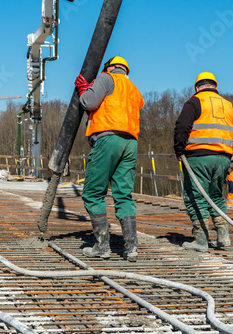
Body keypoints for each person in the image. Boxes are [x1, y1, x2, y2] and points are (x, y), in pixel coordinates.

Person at [74, 56, 144, 262]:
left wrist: (85, 90)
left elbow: (89, 102)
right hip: (130, 143)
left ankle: (102, 246)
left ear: (110, 67)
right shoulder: (132, 87)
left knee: (93, 193)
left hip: (108, 139)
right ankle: (131, 248)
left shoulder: (106, 78)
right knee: (123, 195)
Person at [173, 72, 233, 252]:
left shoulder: (194, 101)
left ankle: (201, 240)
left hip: (198, 157)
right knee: (216, 196)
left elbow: (181, 127)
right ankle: (223, 236)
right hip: (223, 158)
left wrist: (179, 150)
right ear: (216, 87)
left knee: (196, 197)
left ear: (196, 87)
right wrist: (229, 152)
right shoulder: (228, 105)